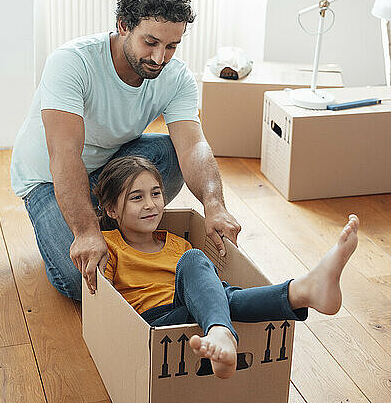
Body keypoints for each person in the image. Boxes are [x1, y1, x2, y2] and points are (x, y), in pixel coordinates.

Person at [10, 0, 241, 302]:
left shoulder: (176, 77)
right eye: (151, 42)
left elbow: (193, 146)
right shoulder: (73, 62)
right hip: (49, 177)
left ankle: (106, 219)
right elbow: (64, 154)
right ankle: (92, 223)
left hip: (110, 166)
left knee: (171, 153)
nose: (160, 58)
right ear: (123, 26)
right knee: (81, 282)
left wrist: (214, 204)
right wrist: (86, 232)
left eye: (171, 46)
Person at [94, 155, 360, 380]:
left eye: (155, 193)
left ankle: (223, 329)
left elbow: (206, 291)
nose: (151, 204)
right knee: (216, 287)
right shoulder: (109, 246)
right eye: (136, 198)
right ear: (112, 210)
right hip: (153, 324)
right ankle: (297, 293)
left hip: (195, 312)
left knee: (202, 270)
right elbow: (106, 304)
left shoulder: (179, 245)